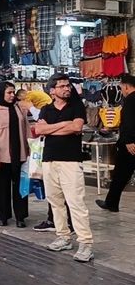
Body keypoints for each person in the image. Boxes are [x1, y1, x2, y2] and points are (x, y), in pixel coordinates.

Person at [35, 74, 93, 263]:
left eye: (68, 85)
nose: (67, 89)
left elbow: (76, 128)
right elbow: (39, 130)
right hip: (49, 160)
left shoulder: (76, 107)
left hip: (70, 160)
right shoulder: (46, 109)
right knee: (55, 200)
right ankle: (63, 236)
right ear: (52, 90)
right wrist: (62, 125)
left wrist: (51, 128)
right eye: (62, 86)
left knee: (76, 201)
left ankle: (85, 243)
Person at [0, 82, 30, 227]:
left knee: (21, 186)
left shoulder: (19, 108)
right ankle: (3, 215)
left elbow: (26, 128)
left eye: (13, 92)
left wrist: (30, 148)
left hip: (20, 154)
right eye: (9, 93)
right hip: (2, 155)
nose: (12, 95)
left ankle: (20, 216)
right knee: (3, 187)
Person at [96, 74, 135, 213]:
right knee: (121, 175)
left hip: (130, 145)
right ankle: (111, 202)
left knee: (120, 175)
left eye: (121, 87)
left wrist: (129, 141)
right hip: (129, 142)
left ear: (125, 86)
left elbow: (129, 123)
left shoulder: (131, 100)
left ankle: (111, 203)